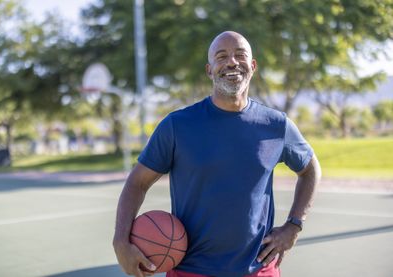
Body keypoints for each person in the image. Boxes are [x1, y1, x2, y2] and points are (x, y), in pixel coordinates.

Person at [113, 31, 321, 277]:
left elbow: (310, 170)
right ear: (209, 70)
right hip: (191, 271)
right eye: (221, 57)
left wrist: (293, 226)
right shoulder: (177, 126)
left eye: (240, 55)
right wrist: (120, 241)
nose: (232, 62)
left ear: (252, 66)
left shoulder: (276, 125)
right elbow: (137, 183)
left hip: (258, 270)